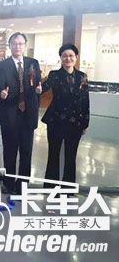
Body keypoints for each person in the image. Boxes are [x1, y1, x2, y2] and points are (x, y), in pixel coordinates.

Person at [0, 32, 42, 194]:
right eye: (14, 44)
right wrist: (1, 94)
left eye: (20, 43)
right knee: (9, 151)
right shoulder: (2, 65)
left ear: (25, 46)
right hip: (9, 113)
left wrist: (39, 90)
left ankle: (23, 184)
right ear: (10, 46)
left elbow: (37, 84)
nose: (17, 46)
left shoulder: (33, 63)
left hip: (28, 114)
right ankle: (9, 183)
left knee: (26, 151)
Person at [41, 44, 90, 186]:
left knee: (71, 156)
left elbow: (85, 100)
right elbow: (43, 88)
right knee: (53, 154)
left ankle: (68, 188)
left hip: (75, 122)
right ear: (61, 58)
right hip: (56, 120)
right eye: (64, 56)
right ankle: (50, 186)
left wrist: (85, 123)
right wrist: (37, 87)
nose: (68, 58)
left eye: (71, 56)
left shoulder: (82, 76)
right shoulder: (54, 75)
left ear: (76, 57)